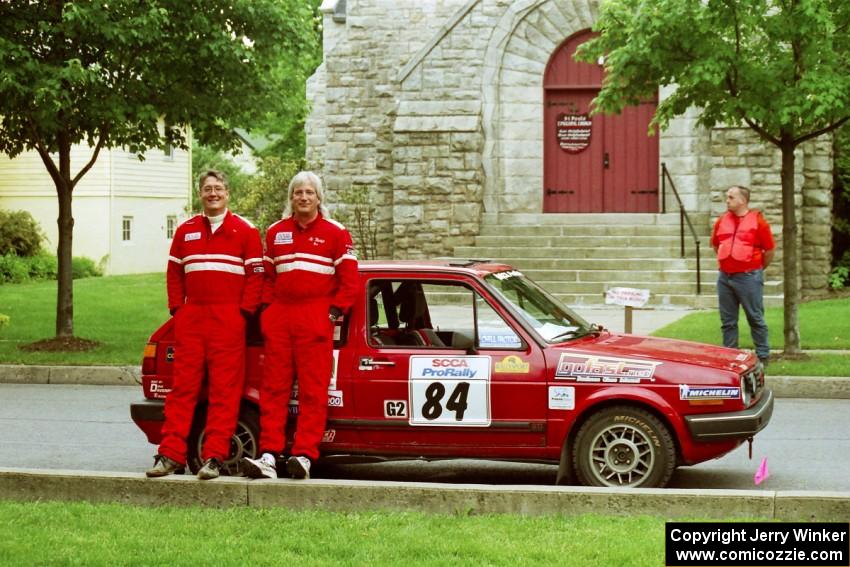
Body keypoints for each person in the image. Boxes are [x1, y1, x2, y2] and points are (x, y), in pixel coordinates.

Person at [146, 170, 264, 480]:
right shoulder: (186, 231)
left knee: (225, 392)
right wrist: (177, 309)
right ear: (201, 194)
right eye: (208, 189)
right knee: (182, 390)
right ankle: (170, 455)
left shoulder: (246, 230)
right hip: (193, 319)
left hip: (228, 321)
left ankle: (213, 457)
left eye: (219, 189)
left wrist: (243, 314)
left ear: (228, 193)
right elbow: (174, 274)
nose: (213, 193)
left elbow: (256, 277)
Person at [242, 171, 357, 480]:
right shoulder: (276, 232)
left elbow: (349, 284)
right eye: (298, 192)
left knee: (313, 393)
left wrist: (330, 316)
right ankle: (268, 454)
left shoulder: (336, 232)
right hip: (280, 320)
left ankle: (304, 455)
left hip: (314, 320)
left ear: (319, 198)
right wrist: (268, 312)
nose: (303, 197)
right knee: (273, 391)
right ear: (291, 198)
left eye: (309, 192)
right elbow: (267, 278)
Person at [710, 185, 775, 367]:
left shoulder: (759, 222)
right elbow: (716, 245)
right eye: (727, 197)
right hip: (725, 277)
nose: (727, 200)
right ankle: (730, 357)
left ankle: (763, 356)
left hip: (748, 277)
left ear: (742, 200)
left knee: (755, 318)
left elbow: (769, 250)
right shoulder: (722, 221)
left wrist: (756, 269)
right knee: (727, 321)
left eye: (731, 197)